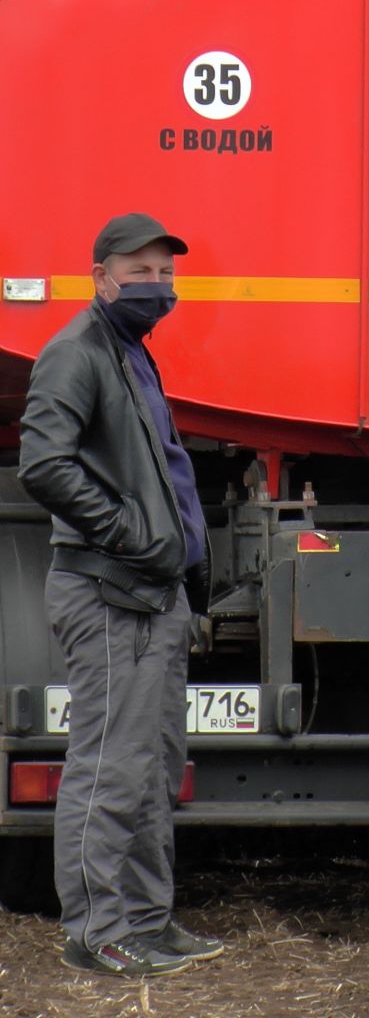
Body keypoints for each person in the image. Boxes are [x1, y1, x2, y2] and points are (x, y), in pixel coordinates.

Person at [19, 212, 223, 976]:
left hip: (153, 595)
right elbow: (44, 463)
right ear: (100, 276)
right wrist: (130, 533)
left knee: (153, 764)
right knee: (109, 765)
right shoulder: (76, 352)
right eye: (140, 271)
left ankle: (146, 921)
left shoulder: (130, 352)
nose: (157, 284)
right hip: (109, 592)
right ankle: (96, 933)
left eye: (166, 272)